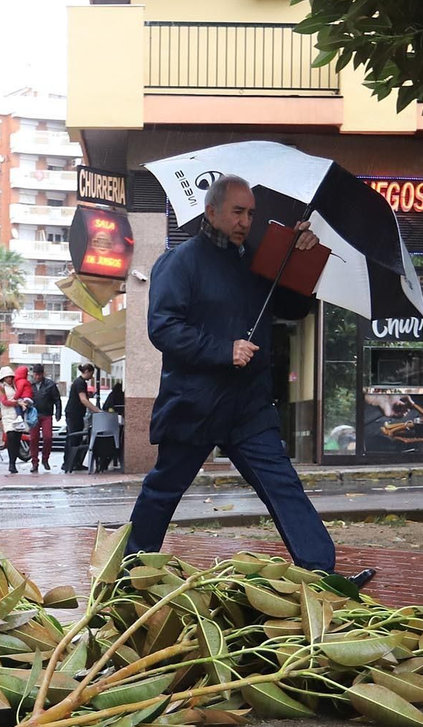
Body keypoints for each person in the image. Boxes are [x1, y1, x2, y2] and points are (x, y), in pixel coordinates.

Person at [125, 174, 373, 585]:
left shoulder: (255, 260)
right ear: (212, 211)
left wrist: (297, 258)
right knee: (164, 489)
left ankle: (322, 572)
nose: (245, 221)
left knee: (283, 486)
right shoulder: (179, 261)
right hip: (195, 404)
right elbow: (162, 327)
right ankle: (130, 571)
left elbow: (294, 309)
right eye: (238, 211)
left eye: (251, 213)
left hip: (249, 406)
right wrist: (224, 349)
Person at [0, 365, 31, 474]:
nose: (9, 379)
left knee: (17, 439)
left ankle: (14, 461)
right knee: (11, 438)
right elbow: (4, 401)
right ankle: (11, 463)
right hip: (8, 416)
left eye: (11, 376)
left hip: (18, 416)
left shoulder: (16, 385)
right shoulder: (1, 387)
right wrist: (17, 402)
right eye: (7, 377)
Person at [64, 362, 98, 472]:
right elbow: (83, 399)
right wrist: (96, 410)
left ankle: (74, 462)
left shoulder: (80, 382)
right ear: (87, 372)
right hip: (74, 414)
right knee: (74, 438)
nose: (92, 377)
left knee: (76, 439)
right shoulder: (80, 383)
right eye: (91, 374)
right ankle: (70, 463)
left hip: (75, 413)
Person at [29, 363, 62, 472]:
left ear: (43, 374)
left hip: (46, 414)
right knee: (33, 439)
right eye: (36, 374)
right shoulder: (30, 385)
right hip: (34, 415)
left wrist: (58, 413)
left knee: (48, 437)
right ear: (33, 374)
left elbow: (57, 399)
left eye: (39, 374)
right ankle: (34, 462)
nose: (37, 377)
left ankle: (45, 458)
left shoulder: (50, 385)